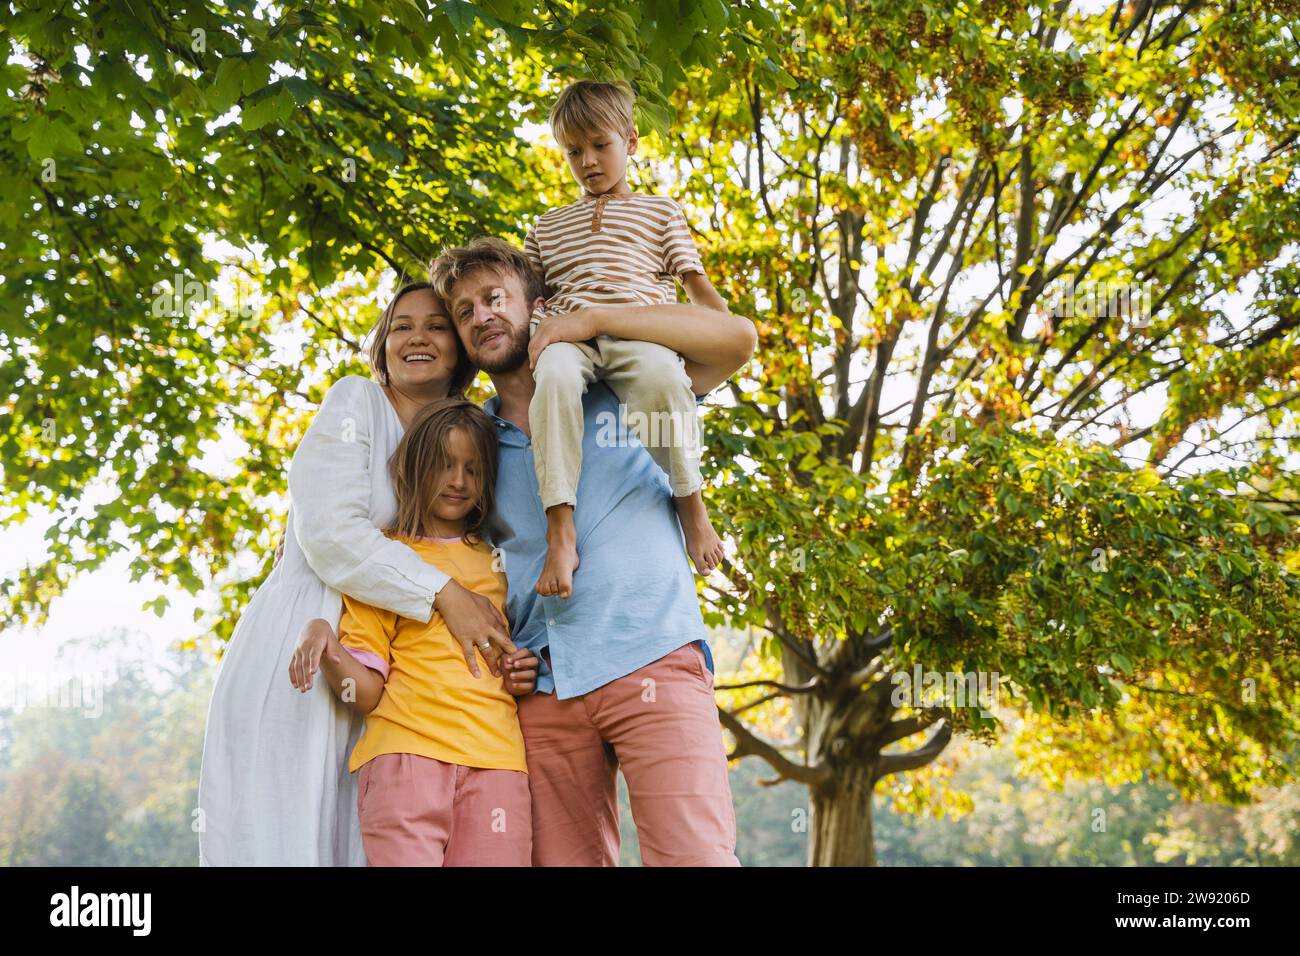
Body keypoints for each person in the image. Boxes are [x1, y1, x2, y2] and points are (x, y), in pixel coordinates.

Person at [430, 237, 756, 866]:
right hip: (544, 688)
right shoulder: (471, 448)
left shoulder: (631, 390)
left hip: (652, 656)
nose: (481, 317)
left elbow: (734, 337)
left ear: (540, 304)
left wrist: (596, 319)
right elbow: (443, 554)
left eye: (496, 298)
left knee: (696, 859)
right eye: (464, 311)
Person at [196, 283, 516, 866]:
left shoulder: (475, 439)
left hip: (402, 686)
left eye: (437, 326)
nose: (417, 336)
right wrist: (444, 594)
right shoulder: (356, 402)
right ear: (382, 346)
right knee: (289, 834)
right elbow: (329, 534)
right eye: (400, 326)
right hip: (309, 639)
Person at [288, 399, 537, 866]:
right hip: (405, 759)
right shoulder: (386, 563)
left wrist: (519, 672)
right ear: (413, 466)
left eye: (472, 469)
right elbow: (363, 694)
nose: (458, 481)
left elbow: (510, 663)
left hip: (499, 764)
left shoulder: (504, 563)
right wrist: (325, 642)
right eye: (443, 465)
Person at [522, 79, 730, 599]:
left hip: (638, 330)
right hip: (570, 335)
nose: (588, 160)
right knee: (553, 377)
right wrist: (535, 325)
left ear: (631, 142)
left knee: (664, 379)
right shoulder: (547, 226)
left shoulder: (662, 212)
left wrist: (713, 334)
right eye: (574, 151)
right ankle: (561, 527)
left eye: (600, 145)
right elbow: (528, 293)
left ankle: (689, 500)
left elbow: (701, 293)